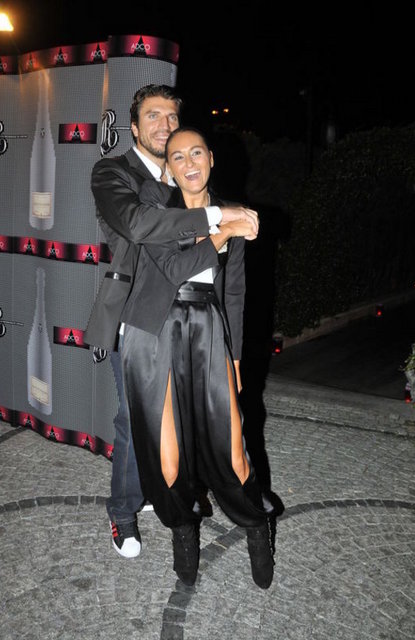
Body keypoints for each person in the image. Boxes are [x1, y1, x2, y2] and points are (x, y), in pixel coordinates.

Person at [84, 85, 259, 559]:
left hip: (194, 320)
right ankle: (123, 512)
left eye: (171, 116)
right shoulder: (114, 172)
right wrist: (219, 217)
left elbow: (228, 281)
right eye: (152, 116)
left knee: (189, 421)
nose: (163, 125)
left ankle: (172, 491)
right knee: (133, 418)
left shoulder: (188, 172)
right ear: (134, 127)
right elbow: (140, 225)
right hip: (140, 316)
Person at [121, 126, 274, 589]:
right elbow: (172, 269)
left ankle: (255, 526)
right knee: (167, 460)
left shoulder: (232, 211)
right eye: (177, 156)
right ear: (168, 169)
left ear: (210, 158)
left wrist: (236, 360)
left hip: (208, 327)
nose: (188, 163)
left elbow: (234, 294)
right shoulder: (156, 208)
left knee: (234, 451)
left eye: (196, 153)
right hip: (154, 330)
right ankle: (182, 532)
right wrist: (224, 230)